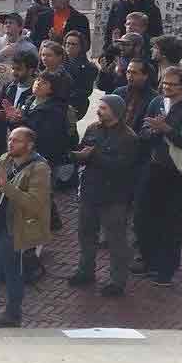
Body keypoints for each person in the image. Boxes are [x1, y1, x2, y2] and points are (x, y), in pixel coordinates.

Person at [136, 64, 182, 286]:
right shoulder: (156, 103)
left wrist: (166, 130)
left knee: (171, 221)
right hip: (153, 167)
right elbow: (142, 132)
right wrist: (152, 132)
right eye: (164, 83)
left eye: (172, 84)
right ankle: (149, 260)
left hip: (176, 173)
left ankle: (166, 269)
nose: (166, 87)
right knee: (144, 216)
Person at [0, 124, 49, 328]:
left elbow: (34, 203)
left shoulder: (40, 168)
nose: (10, 142)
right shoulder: (5, 159)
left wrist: (5, 186)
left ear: (29, 145)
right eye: (10, 139)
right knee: (11, 269)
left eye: (16, 140)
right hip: (0, 221)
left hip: (20, 227)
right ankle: (13, 313)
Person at [68, 93, 138, 296]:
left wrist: (94, 155)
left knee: (116, 240)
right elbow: (82, 150)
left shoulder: (128, 138)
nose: (99, 111)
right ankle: (85, 271)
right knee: (86, 234)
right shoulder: (92, 129)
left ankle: (117, 281)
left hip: (114, 197)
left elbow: (121, 166)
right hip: (90, 191)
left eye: (104, 108)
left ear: (116, 112)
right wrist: (78, 156)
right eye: (100, 107)